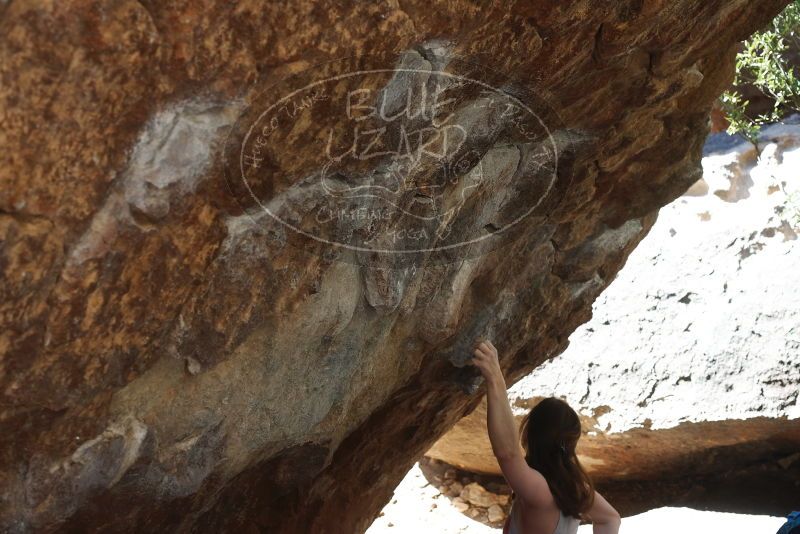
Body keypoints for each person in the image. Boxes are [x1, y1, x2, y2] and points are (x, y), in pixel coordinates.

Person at [471, 339, 621, 534]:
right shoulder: (574, 489)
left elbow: (508, 454)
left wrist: (495, 377)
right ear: (571, 443)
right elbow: (610, 520)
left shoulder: (539, 492)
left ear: (528, 434)